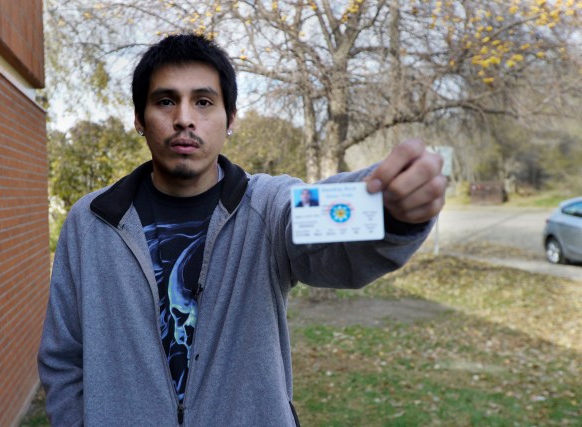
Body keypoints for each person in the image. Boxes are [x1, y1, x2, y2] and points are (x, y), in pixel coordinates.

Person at [38, 33, 446, 426]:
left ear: (230, 119)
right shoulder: (91, 221)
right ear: (139, 119)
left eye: (203, 102)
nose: (184, 119)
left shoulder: (266, 208)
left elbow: (328, 232)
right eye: (165, 101)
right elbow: (63, 358)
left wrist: (388, 208)